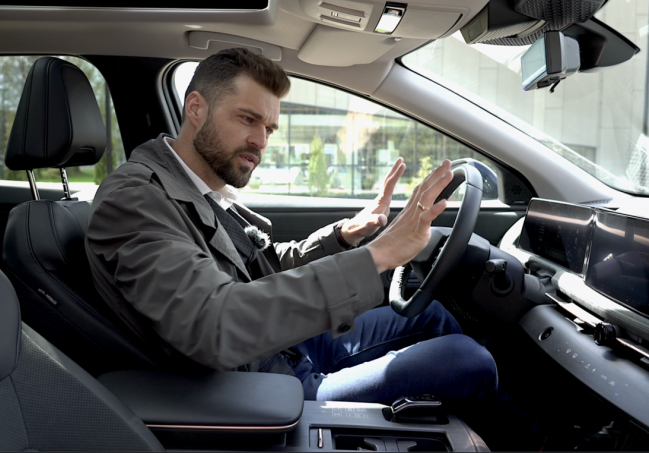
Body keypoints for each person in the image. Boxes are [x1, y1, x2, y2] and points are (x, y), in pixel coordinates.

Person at [86, 48, 497, 405]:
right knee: (469, 360)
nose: (261, 141)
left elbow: (259, 268)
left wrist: (344, 236)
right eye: (248, 119)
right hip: (261, 393)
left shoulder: (197, 187)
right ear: (196, 108)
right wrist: (378, 255)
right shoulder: (135, 200)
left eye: (268, 128)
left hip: (283, 348)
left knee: (433, 316)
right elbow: (214, 323)